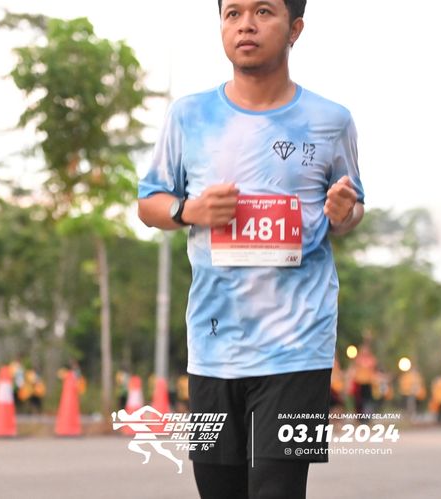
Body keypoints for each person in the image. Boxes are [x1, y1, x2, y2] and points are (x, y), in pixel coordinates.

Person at [137, 1, 365, 496]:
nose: (245, 25)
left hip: (299, 346)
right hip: (214, 345)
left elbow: (351, 211)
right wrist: (189, 210)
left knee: (277, 490)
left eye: (263, 11)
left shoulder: (331, 121)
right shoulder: (189, 116)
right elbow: (148, 204)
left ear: (295, 28)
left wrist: (343, 212)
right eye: (233, 13)